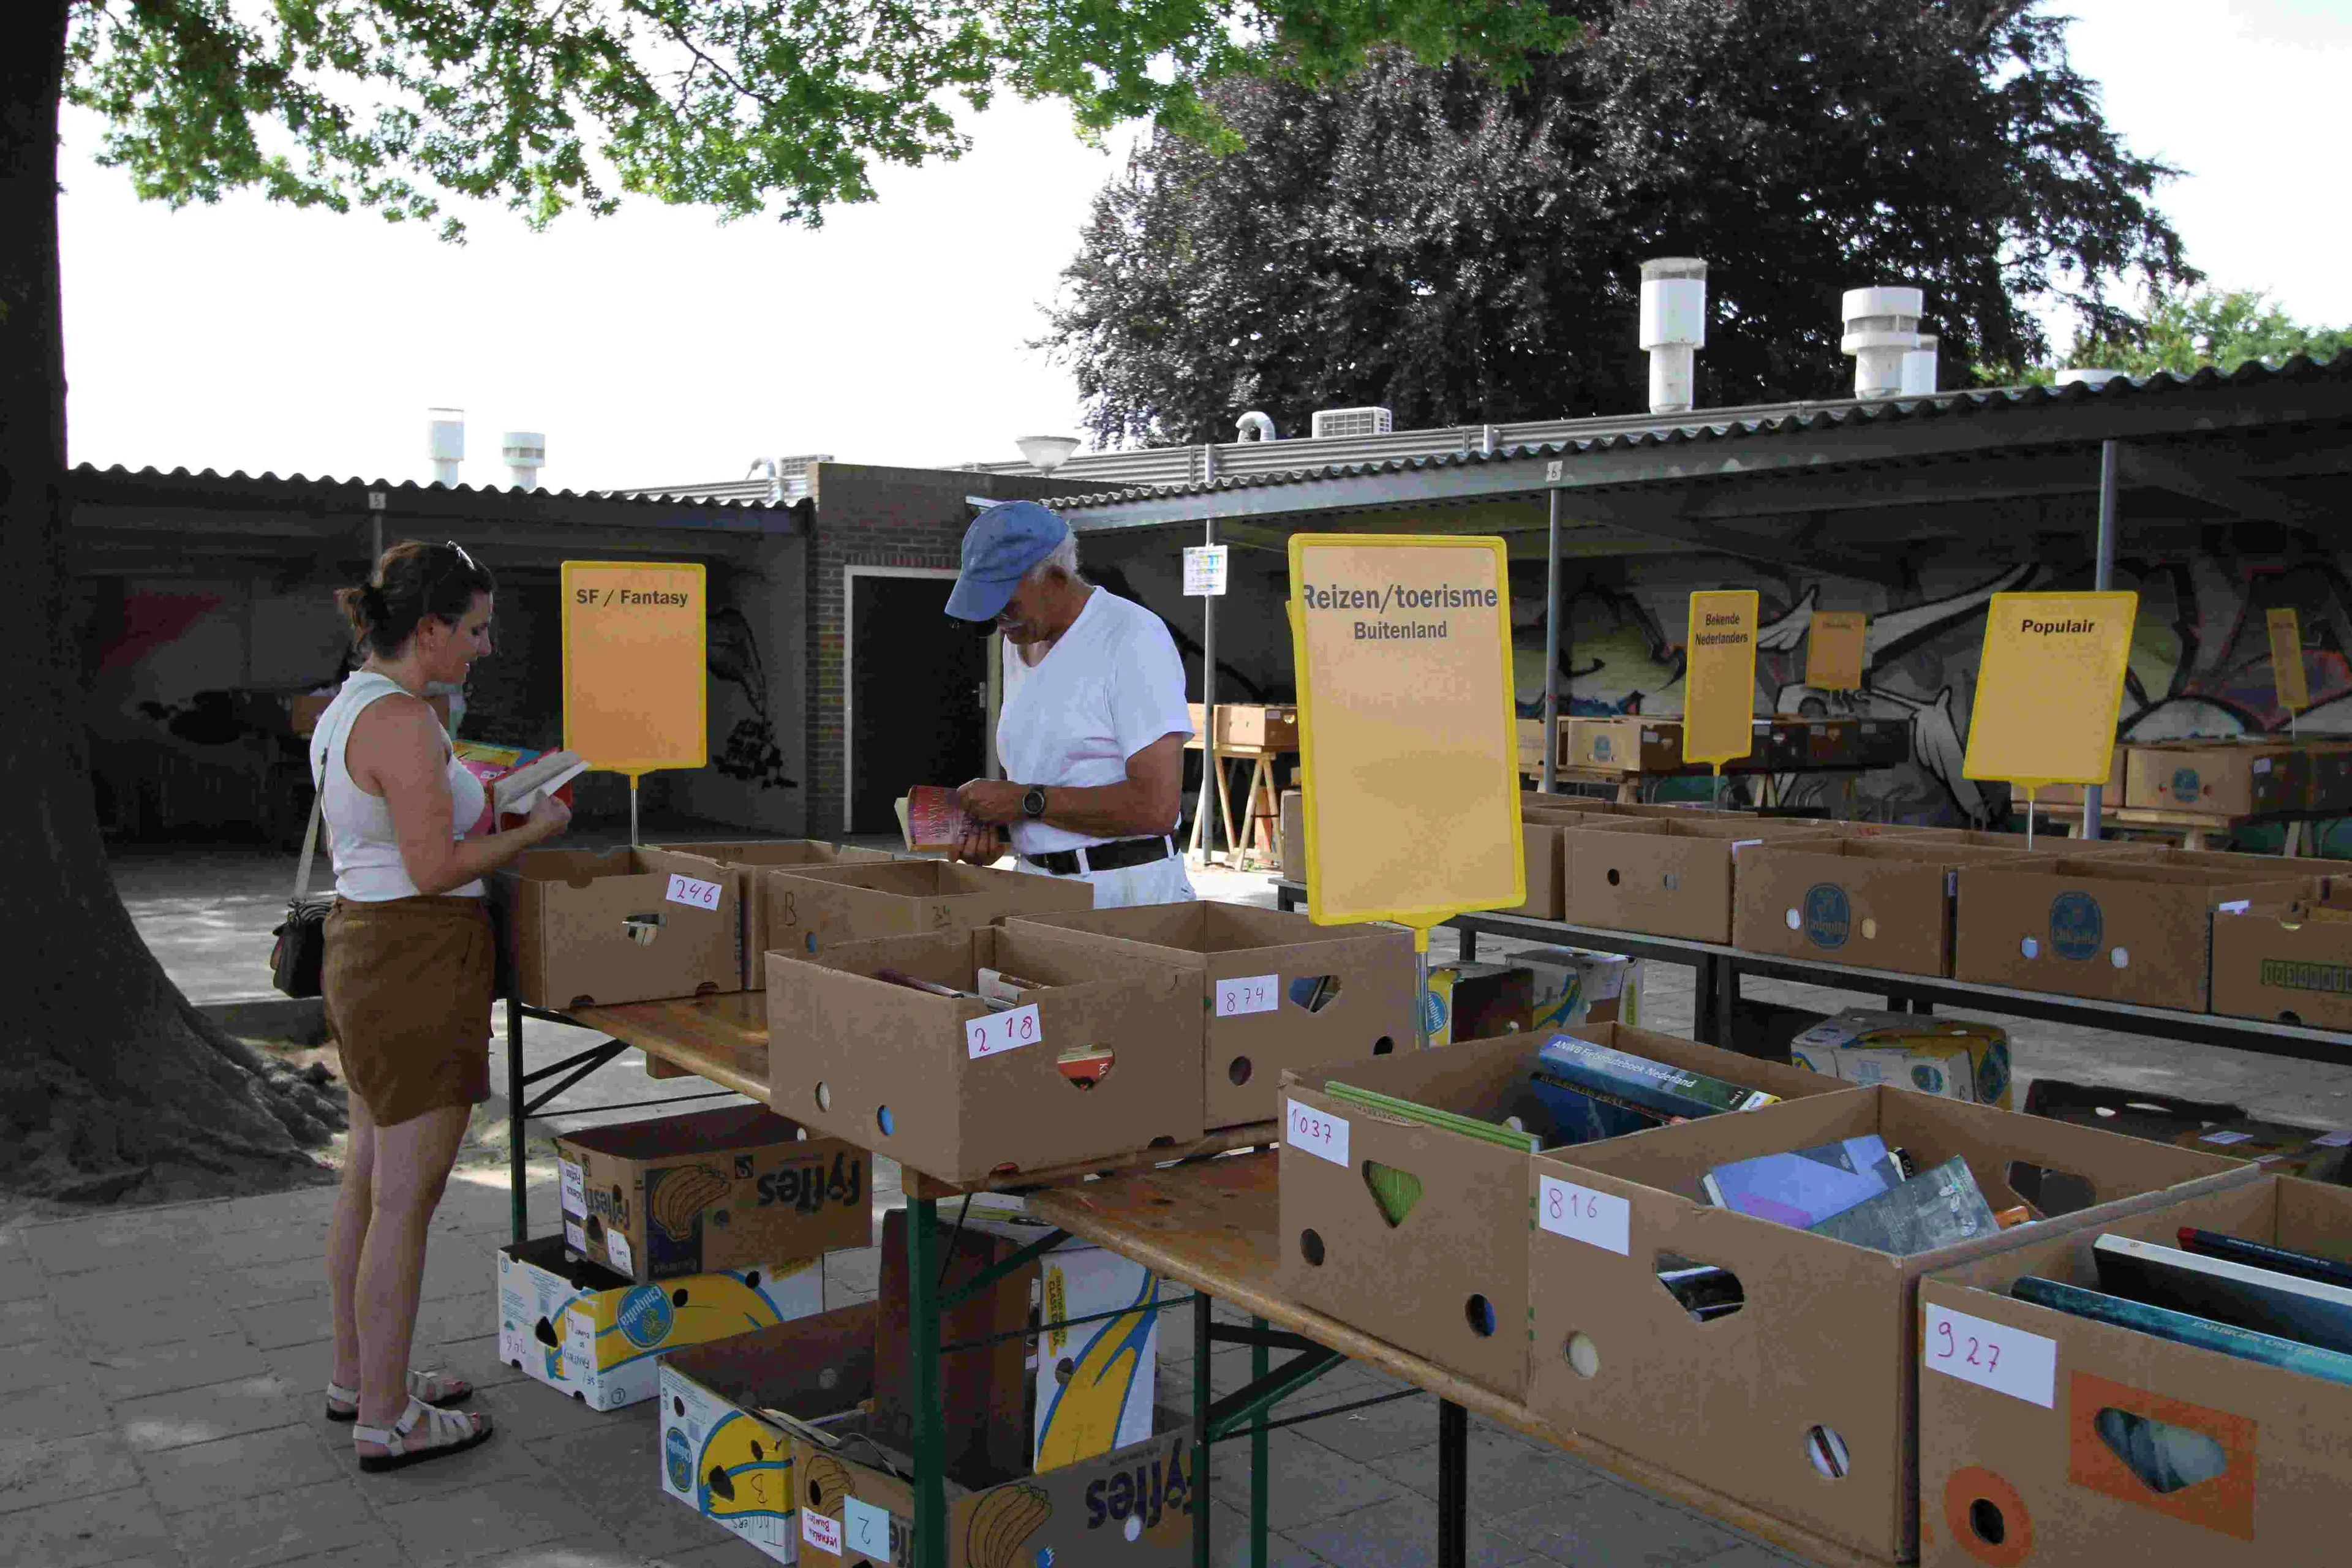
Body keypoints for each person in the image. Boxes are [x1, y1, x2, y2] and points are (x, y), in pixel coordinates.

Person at [314, 540, 571, 1472]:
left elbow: (404, 837)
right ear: (429, 629)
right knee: (406, 1201)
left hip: (366, 948)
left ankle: (361, 1378)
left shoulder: (350, 705)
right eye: (475, 629)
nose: (484, 647)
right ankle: (388, 1418)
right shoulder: (405, 723)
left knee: (368, 1181)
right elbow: (433, 869)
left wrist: (487, 806)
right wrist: (537, 829)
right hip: (416, 960)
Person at [946, 501, 1199, 909]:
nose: (999, 620)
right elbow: (1056, 775)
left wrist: (1024, 801)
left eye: (1007, 603)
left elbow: (1155, 808)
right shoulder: (1021, 640)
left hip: (1122, 893)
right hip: (1038, 884)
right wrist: (1000, 826)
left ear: (1056, 579)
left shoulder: (1132, 638)